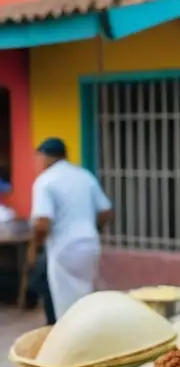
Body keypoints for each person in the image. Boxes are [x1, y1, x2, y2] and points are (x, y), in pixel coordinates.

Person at [30, 137, 114, 319]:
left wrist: (36, 246)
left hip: (63, 248)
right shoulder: (84, 176)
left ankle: (66, 338)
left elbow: (42, 221)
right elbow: (106, 210)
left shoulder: (45, 181)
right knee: (85, 297)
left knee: (64, 304)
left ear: (45, 157)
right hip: (89, 245)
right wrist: (94, 228)